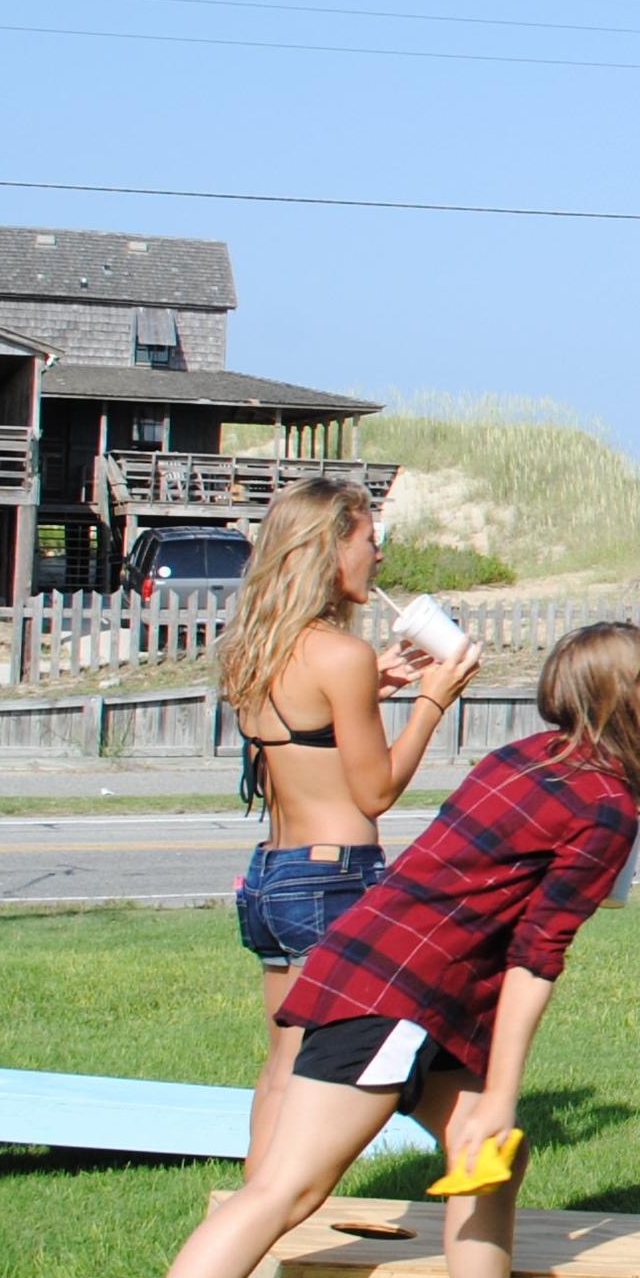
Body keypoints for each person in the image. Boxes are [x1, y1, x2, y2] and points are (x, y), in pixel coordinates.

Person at [78, 622, 640, 1278]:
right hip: (392, 998)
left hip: (410, 989)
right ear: (622, 698)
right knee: (287, 1190)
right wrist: (500, 1090)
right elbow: (538, 955)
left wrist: (488, 1106)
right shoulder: (602, 802)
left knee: (491, 1155)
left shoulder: (531, 757)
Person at [214, 478, 483, 1176]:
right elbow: (376, 789)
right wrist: (432, 698)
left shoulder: (255, 646)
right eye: (370, 540)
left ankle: (254, 1211)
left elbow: (307, 736)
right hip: (334, 880)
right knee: (404, 1040)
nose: (380, 557)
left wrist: (379, 684)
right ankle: (279, 1210)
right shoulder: (342, 655)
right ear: (331, 548)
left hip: (273, 880)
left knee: (282, 1060)